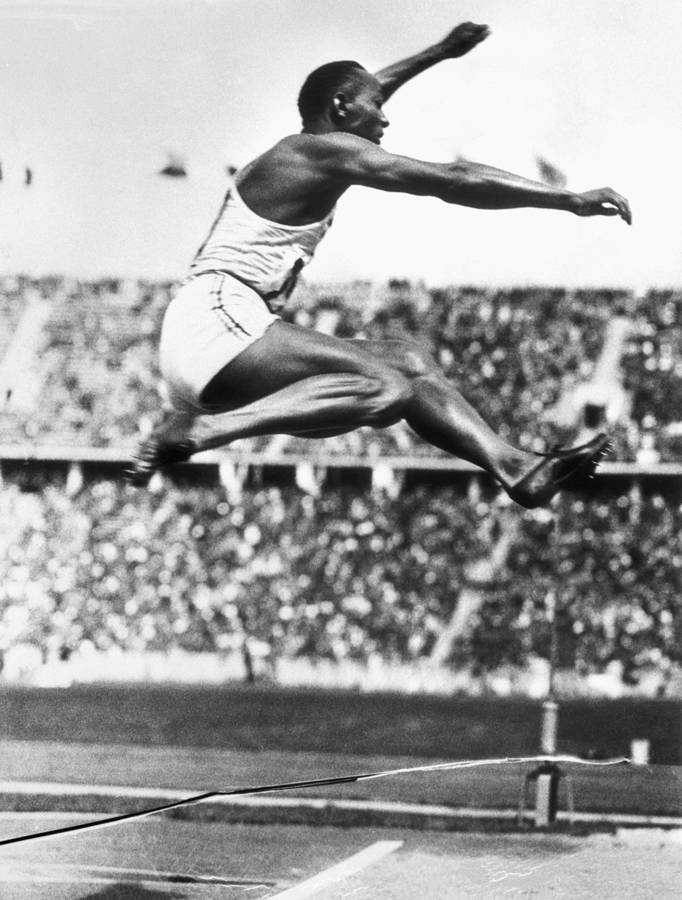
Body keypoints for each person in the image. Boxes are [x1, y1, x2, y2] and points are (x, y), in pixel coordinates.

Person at [128, 22, 630, 508]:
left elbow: (364, 89)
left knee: (409, 365)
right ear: (342, 110)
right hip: (215, 321)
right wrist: (568, 199)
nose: (385, 119)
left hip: (217, 340)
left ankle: (516, 468)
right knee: (384, 387)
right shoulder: (317, 152)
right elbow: (452, 178)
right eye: (376, 108)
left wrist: (438, 52)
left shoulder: (317, 144)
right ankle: (201, 432)